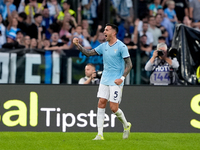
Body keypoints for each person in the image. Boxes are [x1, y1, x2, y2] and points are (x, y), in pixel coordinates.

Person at [73, 23, 132, 140]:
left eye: (107, 30)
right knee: (101, 103)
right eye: (104, 30)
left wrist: (122, 78)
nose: (104, 32)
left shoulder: (121, 46)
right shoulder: (103, 46)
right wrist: (78, 45)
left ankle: (126, 125)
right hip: (105, 79)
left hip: (116, 81)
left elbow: (129, 64)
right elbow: (88, 53)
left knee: (114, 108)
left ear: (114, 32)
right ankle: (100, 134)